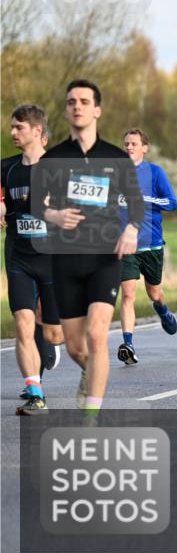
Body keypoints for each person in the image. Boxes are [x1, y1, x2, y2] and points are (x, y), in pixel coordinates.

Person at [35, 80, 144, 418]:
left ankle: (91, 421)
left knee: (97, 335)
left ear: (97, 109)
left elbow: (137, 205)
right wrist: (54, 214)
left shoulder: (115, 157)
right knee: (75, 346)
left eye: (84, 101)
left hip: (105, 257)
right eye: (71, 102)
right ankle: (87, 371)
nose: (77, 106)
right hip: (66, 259)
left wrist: (131, 228)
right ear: (66, 110)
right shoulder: (53, 158)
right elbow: (38, 205)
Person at [3, 105, 66, 414]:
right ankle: (34, 389)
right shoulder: (7, 169)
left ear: (38, 131)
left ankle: (50, 343)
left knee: (53, 331)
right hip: (19, 256)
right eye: (12, 127)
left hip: (54, 259)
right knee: (23, 321)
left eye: (19, 127)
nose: (13, 132)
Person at [116, 129, 177, 365]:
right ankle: (128, 344)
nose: (129, 147)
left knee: (154, 292)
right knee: (128, 294)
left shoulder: (155, 172)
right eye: (126, 144)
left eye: (134, 144)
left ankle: (163, 310)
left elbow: (172, 202)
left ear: (144, 148)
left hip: (151, 244)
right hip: (126, 246)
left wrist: (146, 199)